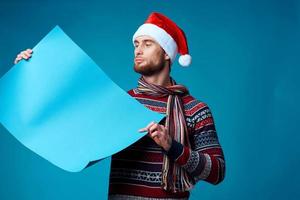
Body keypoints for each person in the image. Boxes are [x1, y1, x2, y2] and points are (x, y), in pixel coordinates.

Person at [14, 12, 225, 200]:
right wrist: (31, 72)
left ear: (167, 54)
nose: (138, 50)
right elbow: (77, 143)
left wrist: (172, 146)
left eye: (147, 44)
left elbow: (217, 172)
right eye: (136, 44)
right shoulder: (120, 103)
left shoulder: (195, 110)